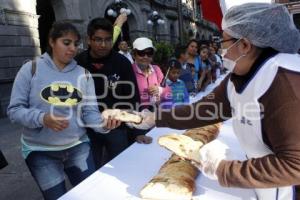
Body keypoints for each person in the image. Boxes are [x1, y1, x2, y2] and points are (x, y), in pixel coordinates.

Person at [128, 3, 300, 199]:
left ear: (244, 45)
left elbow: (295, 165)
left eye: (224, 41)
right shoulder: (239, 76)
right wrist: (155, 117)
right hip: (265, 186)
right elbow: (203, 110)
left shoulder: (286, 85)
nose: (221, 49)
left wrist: (224, 170)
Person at [7, 21, 121, 200]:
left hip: (78, 147)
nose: (72, 49)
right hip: (40, 151)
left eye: (76, 44)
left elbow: (89, 113)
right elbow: (14, 110)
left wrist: (105, 124)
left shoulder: (83, 74)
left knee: (90, 196)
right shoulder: (31, 69)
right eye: (66, 43)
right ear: (52, 42)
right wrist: (42, 118)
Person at [75, 18, 140, 168]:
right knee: (91, 172)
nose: (103, 45)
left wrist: (135, 130)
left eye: (107, 40)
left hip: (117, 127)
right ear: (89, 40)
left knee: (121, 167)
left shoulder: (122, 62)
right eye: (98, 40)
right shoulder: (78, 63)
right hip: (87, 129)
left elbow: (133, 97)